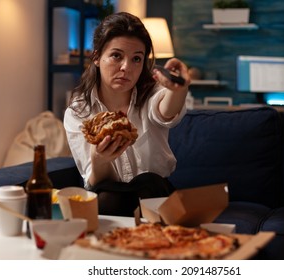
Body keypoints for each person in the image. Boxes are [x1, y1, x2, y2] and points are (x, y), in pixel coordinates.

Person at [63, 12, 190, 217]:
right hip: (111, 197)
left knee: (148, 180)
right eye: (116, 56)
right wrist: (99, 158)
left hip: (155, 193)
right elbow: (98, 182)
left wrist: (178, 90)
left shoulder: (152, 94)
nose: (126, 68)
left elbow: (165, 111)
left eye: (136, 59)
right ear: (96, 57)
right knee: (106, 196)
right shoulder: (79, 112)